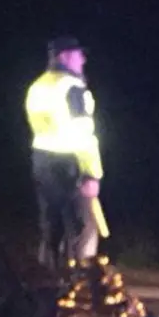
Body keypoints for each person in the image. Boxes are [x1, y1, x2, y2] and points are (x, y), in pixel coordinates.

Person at [25, 36, 103, 271]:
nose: (83, 59)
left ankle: (47, 277)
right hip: (69, 162)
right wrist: (92, 173)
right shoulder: (71, 87)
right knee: (84, 226)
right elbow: (83, 131)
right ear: (65, 56)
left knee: (50, 225)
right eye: (79, 54)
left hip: (41, 160)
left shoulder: (38, 86)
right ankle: (82, 281)